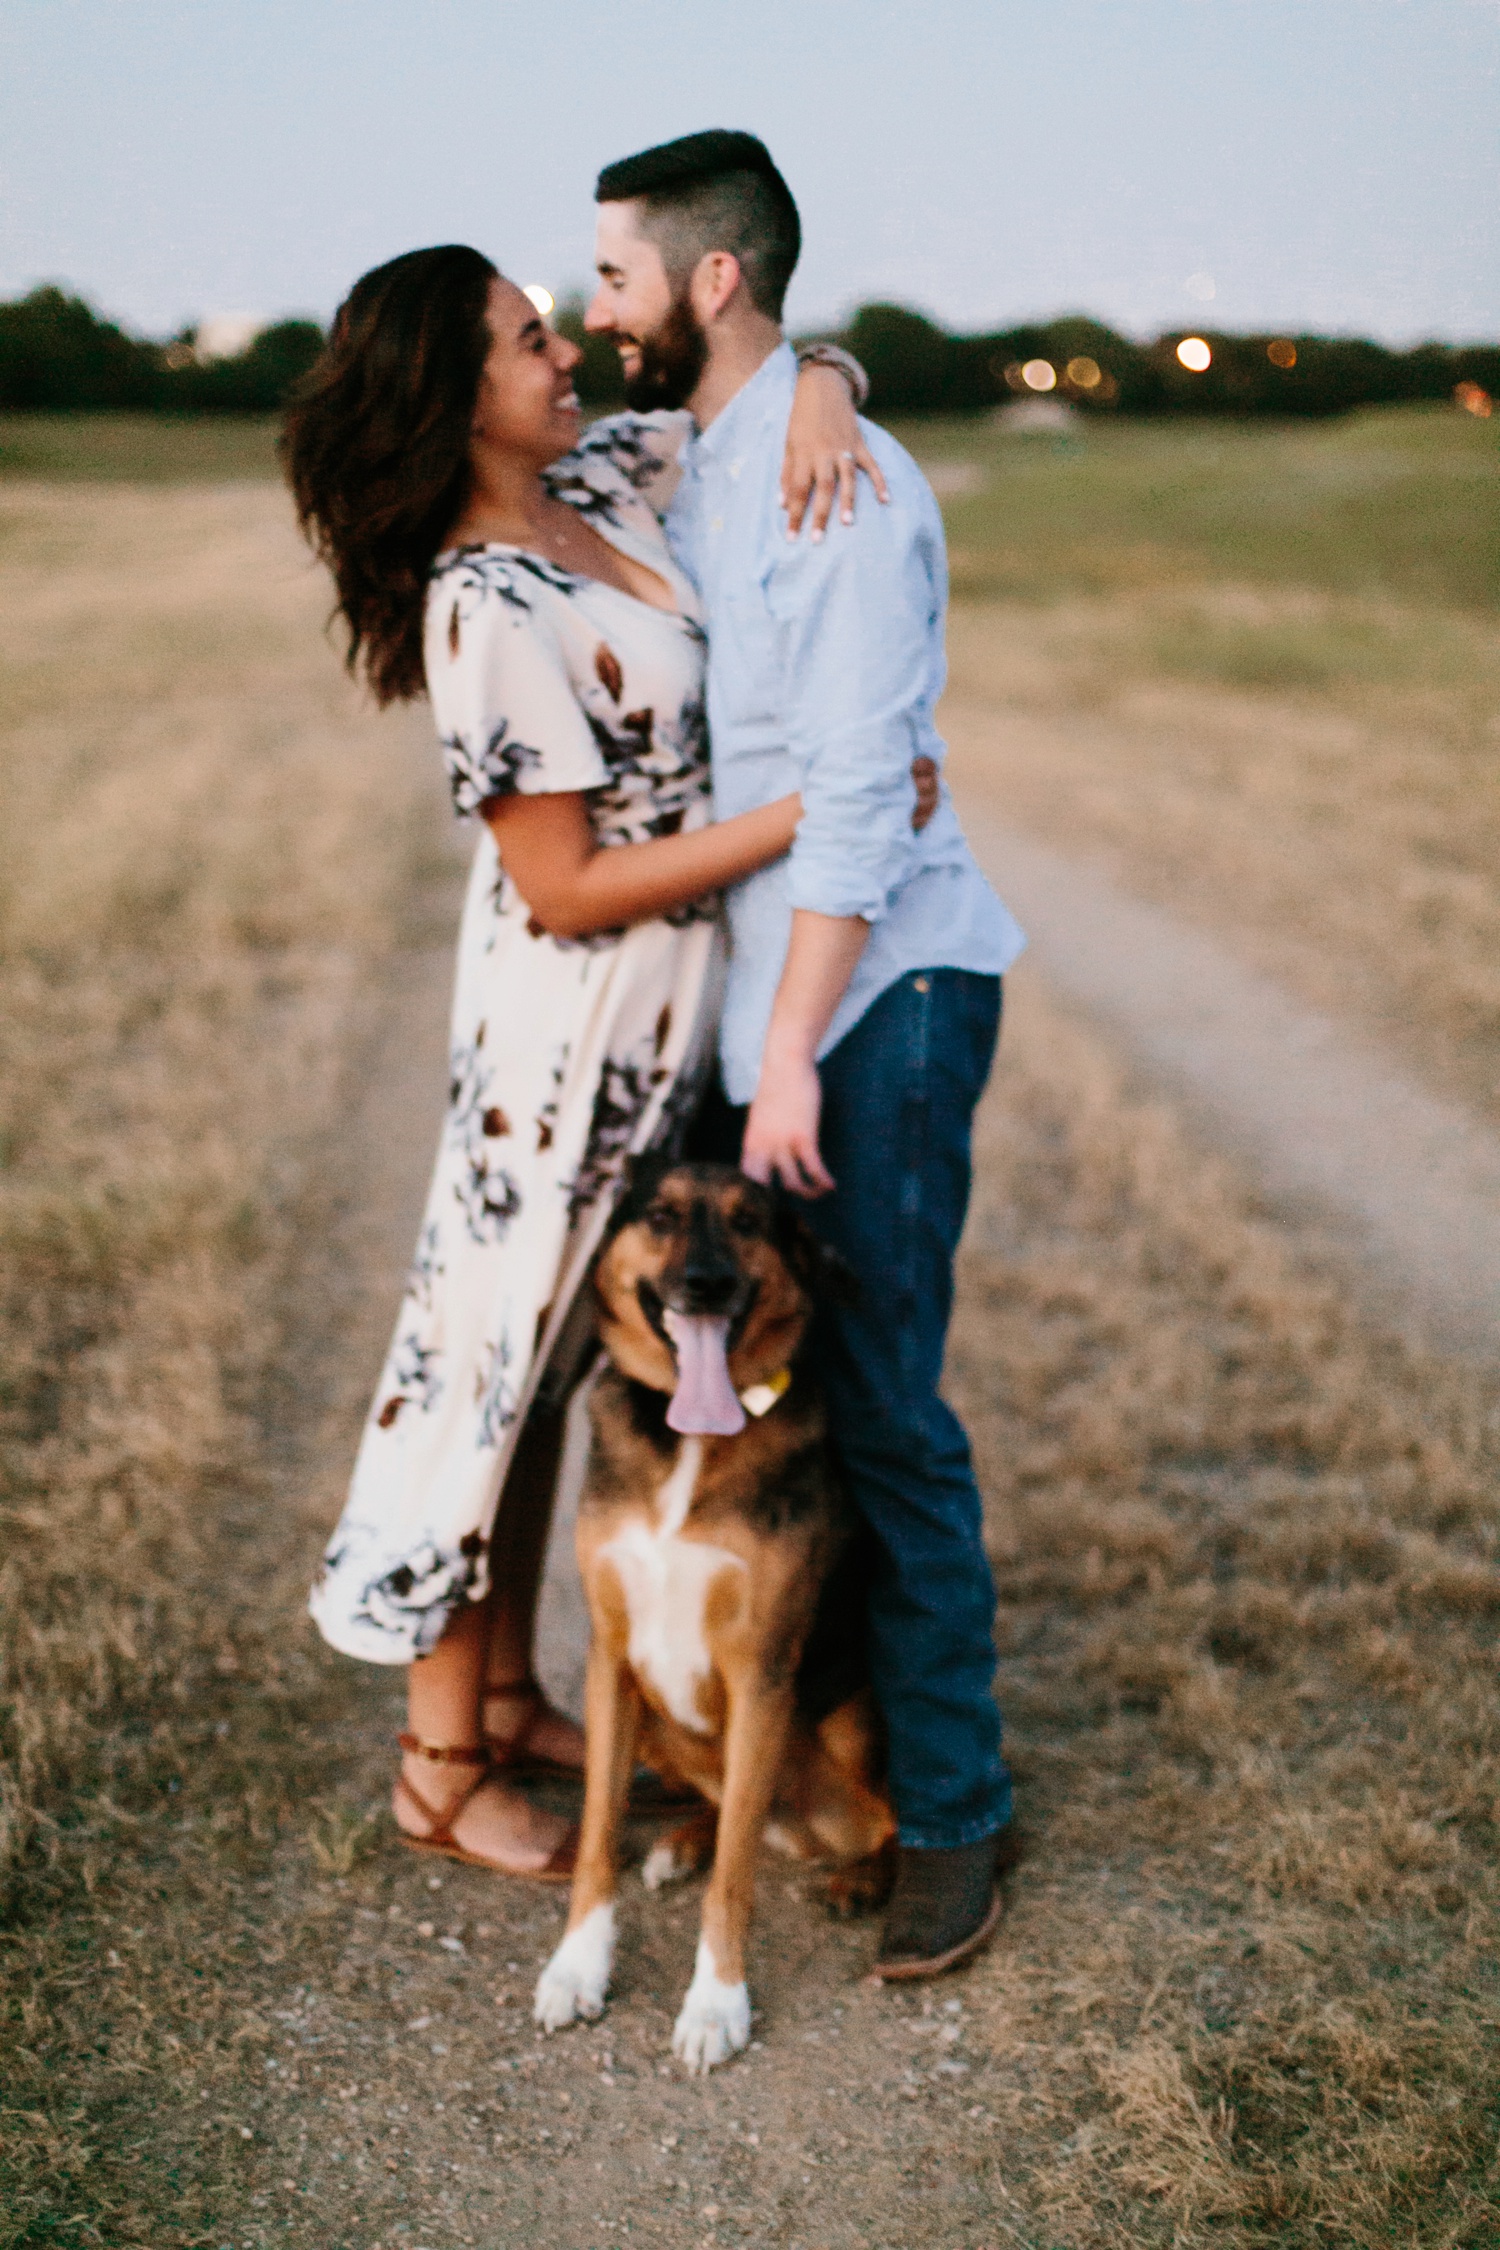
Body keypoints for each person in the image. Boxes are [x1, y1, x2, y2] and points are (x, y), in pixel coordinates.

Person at [284, 244, 900, 1878]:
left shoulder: (609, 475)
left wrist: (829, 379)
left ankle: (510, 1695)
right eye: (524, 340)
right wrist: (806, 819)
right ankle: (437, 1766)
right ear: (450, 394)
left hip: (662, 1023)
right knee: (483, 1385)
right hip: (557, 1055)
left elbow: (763, 392)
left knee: (568, 1369)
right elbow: (558, 886)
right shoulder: (483, 598)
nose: (566, 349)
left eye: (555, 325)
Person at [584, 132, 1028, 1977]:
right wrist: (823, 363)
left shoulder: (844, 494)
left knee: (889, 1402)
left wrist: (784, 1058)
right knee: (749, 1366)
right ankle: (740, 1717)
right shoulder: (698, 455)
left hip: (878, 1002)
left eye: (612, 273)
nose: (587, 302)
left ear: (704, 280)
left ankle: (954, 1814)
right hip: (774, 997)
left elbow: (855, 797)